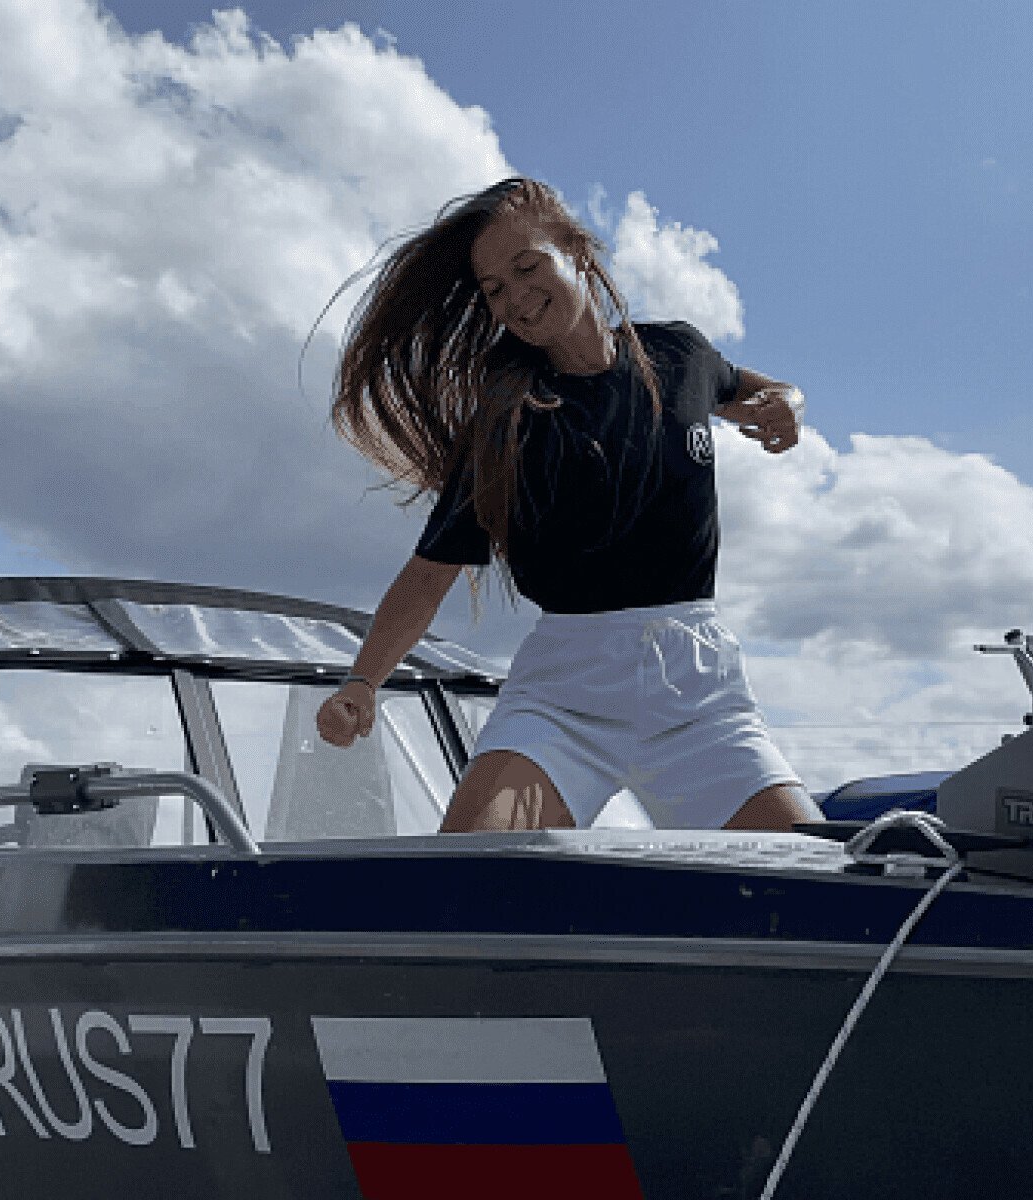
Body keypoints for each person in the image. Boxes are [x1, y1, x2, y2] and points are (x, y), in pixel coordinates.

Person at [315, 177, 821, 833]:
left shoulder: (681, 353)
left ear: (578, 251)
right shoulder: (505, 421)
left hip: (695, 691)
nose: (515, 298)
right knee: (468, 869)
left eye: (527, 268)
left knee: (815, 871)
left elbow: (762, 389)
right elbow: (428, 574)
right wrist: (362, 684)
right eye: (495, 289)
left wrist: (788, 405)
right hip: (564, 696)